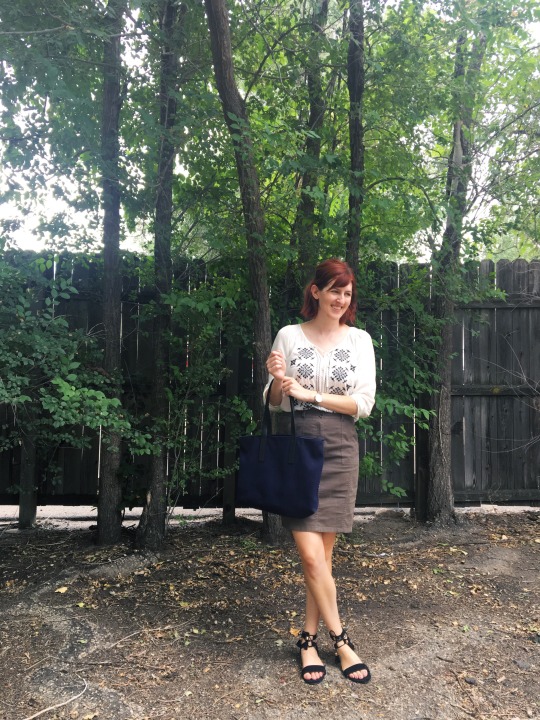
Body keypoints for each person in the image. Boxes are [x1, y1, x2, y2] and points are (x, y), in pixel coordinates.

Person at [264, 258, 376, 686]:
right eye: (334, 291)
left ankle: (308, 640)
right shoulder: (290, 335)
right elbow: (275, 402)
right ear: (316, 291)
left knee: (322, 560)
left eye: (346, 294)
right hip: (298, 447)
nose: (340, 300)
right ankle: (342, 640)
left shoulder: (360, 340)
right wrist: (278, 380)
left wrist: (312, 394)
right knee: (312, 557)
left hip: (341, 447)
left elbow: (363, 404)